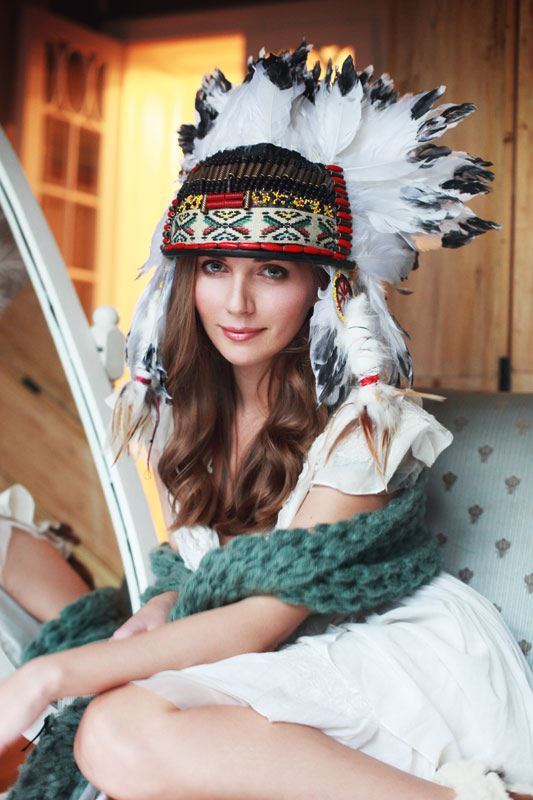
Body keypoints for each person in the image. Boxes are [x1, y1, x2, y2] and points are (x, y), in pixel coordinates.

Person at [1, 43, 533, 800]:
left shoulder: (364, 426)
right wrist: (165, 603)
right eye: (215, 267)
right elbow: (210, 574)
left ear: (321, 287)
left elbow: (262, 618)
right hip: (263, 650)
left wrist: (49, 675)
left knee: (113, 729)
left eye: (272, 271)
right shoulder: (182, 414)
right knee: (115, 730)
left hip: (377, 653)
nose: (237, 303)